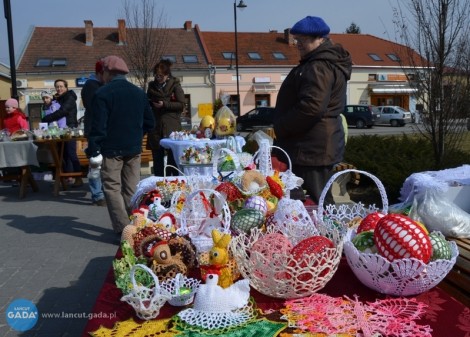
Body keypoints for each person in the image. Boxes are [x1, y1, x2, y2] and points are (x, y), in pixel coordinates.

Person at [273, 16, 352, 205]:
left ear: (320, 39)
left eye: (302, 40)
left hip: (311, 149)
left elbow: (311, 107)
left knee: (316, 201)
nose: (297, 44)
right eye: (296, 39)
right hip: (311, 147)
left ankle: (325, 234)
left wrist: (282, 126)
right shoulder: (318, 62)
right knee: (315, 200)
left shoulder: (319, 66)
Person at [85, 55, 155, 235]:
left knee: (111, 188)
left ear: (108, 72)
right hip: (133, 147)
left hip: (111, 149)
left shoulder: (102, 93)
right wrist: (137, 134)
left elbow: (98, 126)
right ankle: (137, 226)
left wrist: (93, 148)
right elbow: (150, 122)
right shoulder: (139, 92)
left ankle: (124, 230)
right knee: (132, 188)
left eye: (103, 72)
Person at [146, 59, 185, 176]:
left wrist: (165, 104)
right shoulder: (151, 87)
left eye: (161, 76)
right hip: (156, 128)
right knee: (157, 159)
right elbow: (147, 102)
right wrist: (150, 103)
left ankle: (173, 182)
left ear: (167, 75)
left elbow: (181, 105)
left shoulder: (175, 86)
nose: (158, 78)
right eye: (156, 75)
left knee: (172, 159)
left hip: (171, 127)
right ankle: (159, 183)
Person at [42, 79, 83, 187]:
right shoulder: (58, 98)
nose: (59, 88)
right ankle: (68, 177)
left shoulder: (69, 98)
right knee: (62, 154)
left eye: (61, 86)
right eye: (57, 87)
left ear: (66, 87)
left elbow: (62, 112)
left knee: (71, 153)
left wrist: (46, 118)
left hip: (69, 128)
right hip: (59, 130)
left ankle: (79, 177)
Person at [81, 60, 106, 206]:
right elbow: (95, 109)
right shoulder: (91, 85)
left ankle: (100, 193)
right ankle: (97, 195)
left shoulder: (99, 85)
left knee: (99, 163)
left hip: (98, 129)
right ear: (100, 73)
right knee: (95, 163)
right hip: (94, 129)